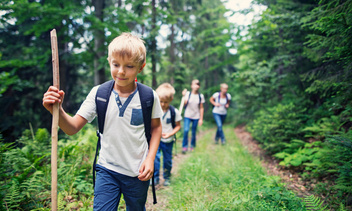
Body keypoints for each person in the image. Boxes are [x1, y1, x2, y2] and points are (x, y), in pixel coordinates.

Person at [42, 32, 163, 210]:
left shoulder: (148, 96)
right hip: (107, 170)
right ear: (109, 62)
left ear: (141, 67)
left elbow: (156, 128)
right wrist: (56, 111)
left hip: (138, 172)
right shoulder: (99, 94)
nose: (121, 71)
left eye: (129, 66)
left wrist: (150, 159)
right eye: (116, 64)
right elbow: (72, 128)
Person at [153, 83, 182, 186]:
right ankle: (155, 178)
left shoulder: (174, 112)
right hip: (156, 140)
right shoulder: (154, 111)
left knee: (167, 160)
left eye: (165, 102)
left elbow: (178, 126)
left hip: (168, 141)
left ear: (171, 100)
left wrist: (170, 134)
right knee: (155, 159)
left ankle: (167, 177)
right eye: (160, 101)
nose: (163, 104)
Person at [181, 79, 205, 153]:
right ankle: (184, 147)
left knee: (193, 132)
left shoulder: (200, 96)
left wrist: (201, 119)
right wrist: (184, 97)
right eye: (194, 84)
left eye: (197, 84)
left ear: (199, 86)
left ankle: (192, 146)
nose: (196, 86)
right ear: (191, 86)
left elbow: (201, 108)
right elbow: (184, 105)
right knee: (186, 130)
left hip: (196, 116)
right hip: (187, 115)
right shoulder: (187, 94)